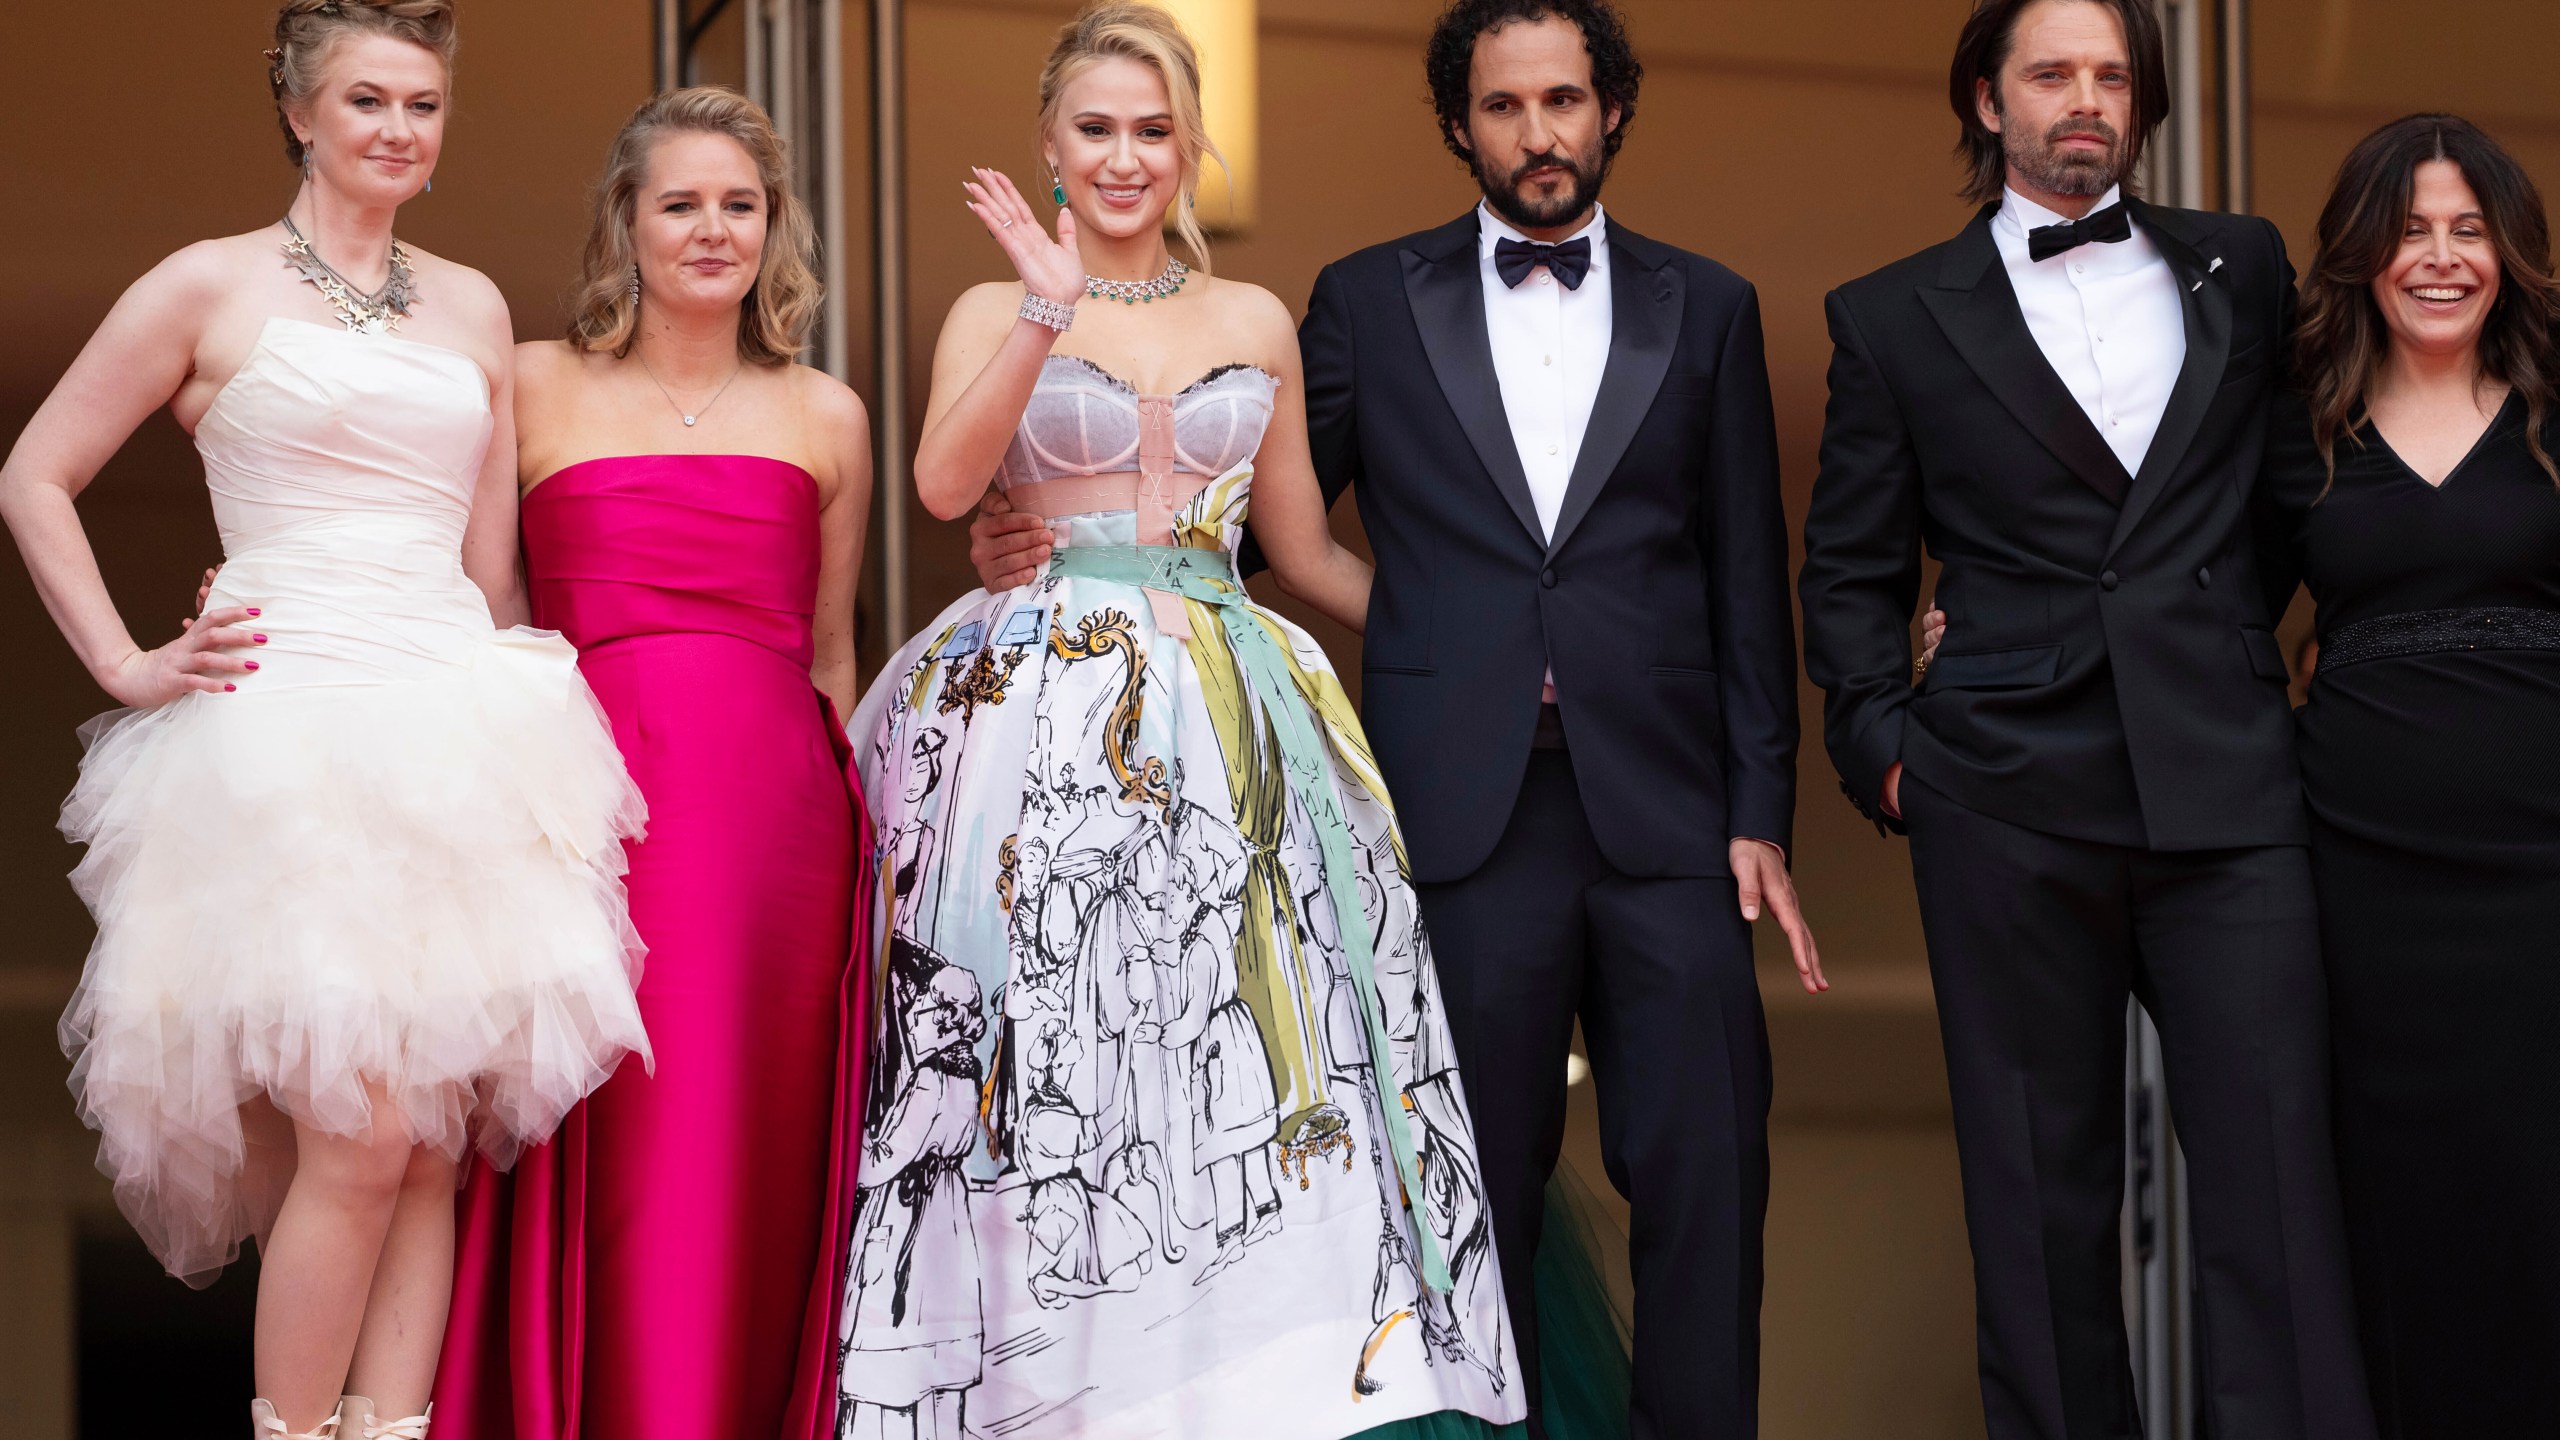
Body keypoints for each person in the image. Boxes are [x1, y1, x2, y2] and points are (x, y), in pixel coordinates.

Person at [964, 4, 1813, 1436]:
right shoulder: (1365, 299)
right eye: (1504, 107)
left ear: (1611, 109)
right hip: (1453, 810)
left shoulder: (1712, 304)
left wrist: (1759, 813)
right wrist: (1046, 537)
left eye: (1564, 100)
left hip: (1672, 815)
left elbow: (1748, 578)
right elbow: (1243, 527)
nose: (1539, 132)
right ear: (1460, 124)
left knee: (1711, 1179)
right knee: (1471, 1201)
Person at [838, 6, 1523, 1437]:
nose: (1126, 156)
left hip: (1230, 715)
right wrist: (1040, 302)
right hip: (1039, 722)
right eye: (1096, 129)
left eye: (1153, 130)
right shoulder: (991, 304)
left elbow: (1310, 551)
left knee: (1245, 1056)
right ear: (1048, 145)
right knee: (1054, 1051)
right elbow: (946, 489)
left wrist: (1494, 647)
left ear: (1191, 145)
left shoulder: (1253, 318)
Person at [0, 3, 652, 1437]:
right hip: (285, 723)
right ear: (300, 113)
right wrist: (122, 661)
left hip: (448, 713)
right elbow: (35, 474)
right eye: (367, 101)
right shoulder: (204, 287)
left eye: (423, 105)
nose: (400, 131)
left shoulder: (476, 306)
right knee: (354, 1135)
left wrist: (534, 737)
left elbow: (489, 572)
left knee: (423, 1148)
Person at [1796, 2, 2376, 1438]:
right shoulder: (1887, 313)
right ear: (1987, 102)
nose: (2087, 100)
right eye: (2053, 73)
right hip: (1998, 794)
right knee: (2038, 1213)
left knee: (2280, 1204)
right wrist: (1890, 758)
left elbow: (2297, 507)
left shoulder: (2241, 267)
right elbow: (1854, 571)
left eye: (2112, 75)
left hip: (2229, 786)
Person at [428, 88, 876, 1440]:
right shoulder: (532, 375)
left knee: (755, 1162)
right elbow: (483, 614)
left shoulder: (829, 414)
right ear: (626, 222)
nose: (712, 229)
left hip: (779, 850)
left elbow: (832, 659)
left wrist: (872, 867)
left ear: (774, 229)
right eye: (681, 202)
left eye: (741, 205)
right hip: (590, 822)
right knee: (619, 1148)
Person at [2257, 114, 2560, 1436]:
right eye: (2409, 230)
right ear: (2364, 254)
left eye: (2468, 230)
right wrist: (1963, 627)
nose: (2438, 258)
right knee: (2393, 1218)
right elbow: (2194, 616)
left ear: (2509, 255)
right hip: (2360, 882)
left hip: (2545, 881)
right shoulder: (2294, 424)